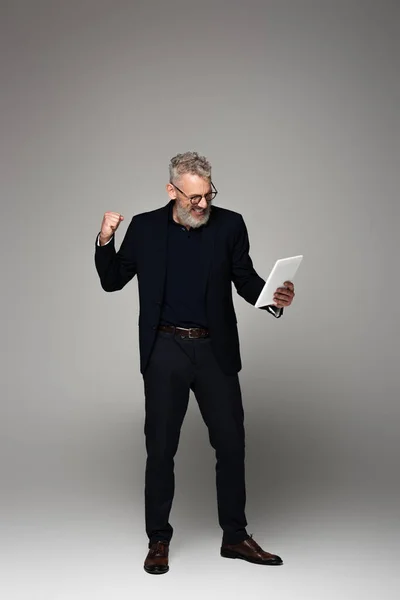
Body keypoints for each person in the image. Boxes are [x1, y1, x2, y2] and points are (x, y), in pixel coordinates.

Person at [94, 151, 295, 575]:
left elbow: (245, 277)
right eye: (193, 198)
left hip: (214, 350)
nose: (202, 205)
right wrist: (105, 239)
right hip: (164, 350)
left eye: (207, 195)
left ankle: (235, 537)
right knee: (161, 449)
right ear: (172, 191)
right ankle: (158, 540)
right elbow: (112, 281)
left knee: (232, 444)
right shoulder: (146, 228)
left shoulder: (230, 224)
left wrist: (272, 298)